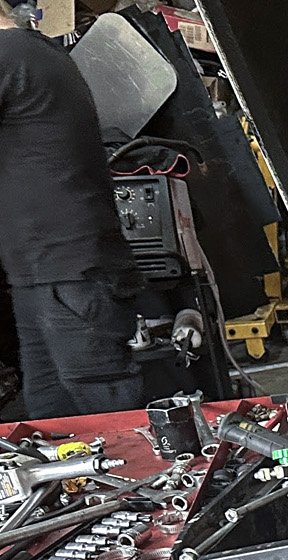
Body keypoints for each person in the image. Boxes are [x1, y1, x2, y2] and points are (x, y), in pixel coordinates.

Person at [0, 3, 149, 417]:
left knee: (106, 412)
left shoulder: (10, 53)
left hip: (68, 271)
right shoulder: (36, 50)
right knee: (52, 415)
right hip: (43, 272)